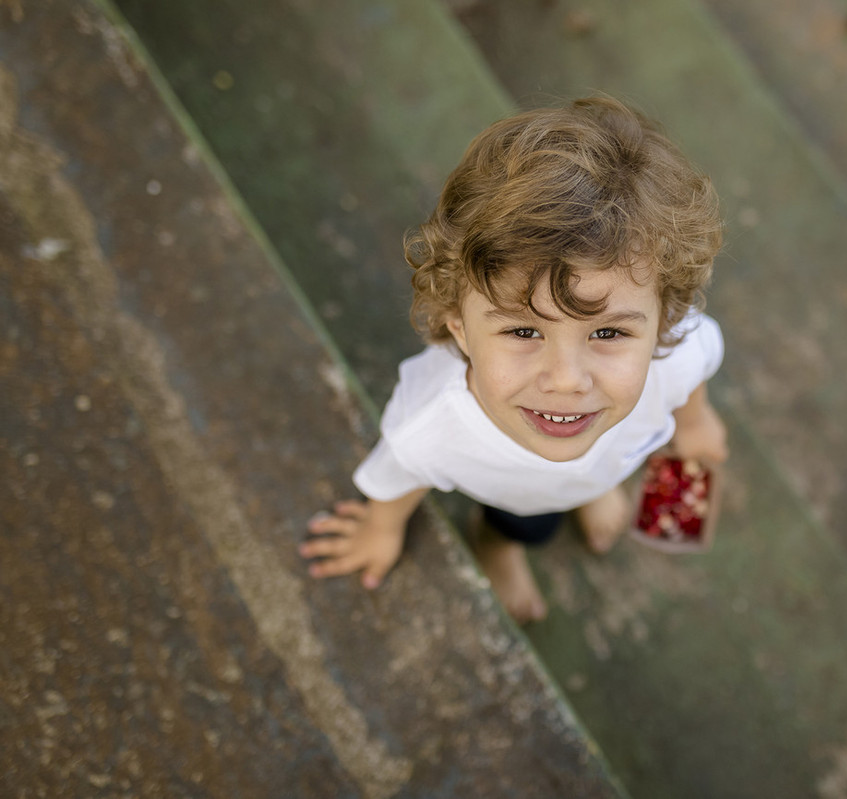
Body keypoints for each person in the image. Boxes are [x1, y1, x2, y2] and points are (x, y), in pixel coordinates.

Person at [301, 96, 728, 623]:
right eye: (524, 330)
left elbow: (696, 366)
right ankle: (498, 544)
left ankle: (591, 490)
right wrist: (381, 528)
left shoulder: (677, 354)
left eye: (610, 332)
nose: (568, 381)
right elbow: (400, 473)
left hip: (609, 456)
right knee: (527, 522)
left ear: (663, 324)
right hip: (516, 497)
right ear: (458, 325)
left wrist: (694, 420)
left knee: (593, 462)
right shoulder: (433, 425)